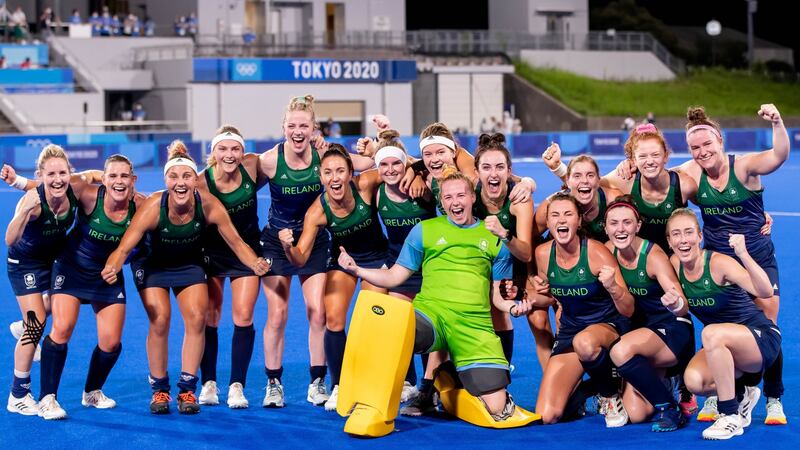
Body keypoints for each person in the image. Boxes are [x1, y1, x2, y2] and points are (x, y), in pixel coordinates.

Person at [337, 168, 534, 422]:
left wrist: (511, 308)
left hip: (474, 327)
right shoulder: (424, 230)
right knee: (394, 327)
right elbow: (395, 277)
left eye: (461, 195)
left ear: (472, 198)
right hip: (431, 317)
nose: (455, 202)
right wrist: (358, 270)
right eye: (449, 197)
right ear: (442, 202)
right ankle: (371, 408)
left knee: (498, 409)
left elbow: (497, 296)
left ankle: (448, 384)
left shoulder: (495, 237)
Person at [102, 140, 270, 415]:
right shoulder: (155, 205)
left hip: (188, 262)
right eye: (173, 177)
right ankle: (159, 389)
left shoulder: (210, 205)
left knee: (196, 317)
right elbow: (124, 246)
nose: (180, 183)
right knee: (160, 319)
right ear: (165, 179)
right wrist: (112, 266)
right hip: (153, 264)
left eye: (186, 177)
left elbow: (237, 242)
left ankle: (188, 389)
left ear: (196, 180)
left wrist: (255, 262)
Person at [256, 95, 376, 409]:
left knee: (318, 313)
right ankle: (273, 383)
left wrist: (374, 147)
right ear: (283, 128)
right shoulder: (269, 161)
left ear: (313, 129)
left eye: (304, 126)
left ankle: (318, 382)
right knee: (278, 315)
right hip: (276, 241)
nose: (298, 131)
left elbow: (365, 164)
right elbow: (234, 184)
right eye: (292, 125)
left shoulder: (324, 155)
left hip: (316, 239)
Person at [280, 144, 389, 412]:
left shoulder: (366, 184)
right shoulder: (317, 211)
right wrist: (287, 247)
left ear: (351, 173)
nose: (335, 178)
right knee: (333, 318)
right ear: (321, 177)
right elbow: (301, 258)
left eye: (340, 171)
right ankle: (340, 385)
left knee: (374, 320)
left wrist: (407, 165)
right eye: (328, 172)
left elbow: (396, 165)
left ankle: (377, 382)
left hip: (376, 259)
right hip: (342, 261)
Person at [35, 155, 143, 420]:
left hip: (108, 274)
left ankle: (92, 392)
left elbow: (140, 244)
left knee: (111, 342)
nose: (119, 182)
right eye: (113, 176)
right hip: (72, 267)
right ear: (103, 179)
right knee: (62, 329)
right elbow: (50, 186)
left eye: (124, 176)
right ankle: (47, 398)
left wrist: (120, 263)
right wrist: (16, 181)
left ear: (133, 180)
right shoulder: (88, 194)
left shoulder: (142, 206)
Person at [664, 208, 779, 439]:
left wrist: (744, 254)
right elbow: (683, 306)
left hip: (759, 339)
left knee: (711, 333)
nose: (683, 240)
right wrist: (674, 306)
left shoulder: (718, 263)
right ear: (669, 241)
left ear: (700, 236)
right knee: (694, 381)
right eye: (676, 234)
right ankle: (743, 394)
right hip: (722, 346)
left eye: (689, 232)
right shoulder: (675, 264)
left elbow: (765, 291)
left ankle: (730, 415)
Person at [532, 192, 633, 427]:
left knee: (586, 343)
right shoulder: (542, 254)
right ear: (548, 223)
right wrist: (541, 298)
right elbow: (554, 295)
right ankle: (593, 386)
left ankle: (609, 395)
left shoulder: (597, 252)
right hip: (571, 330)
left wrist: (613, 288)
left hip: (609, 327)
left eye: (568, 214)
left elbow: (628, 308)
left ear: (579, 220)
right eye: (555, 215)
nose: (561, 220)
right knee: (548, 415)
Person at [604, 196, 694, 432]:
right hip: (641, 335)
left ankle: (670, 408)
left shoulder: (653, 256)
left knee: (620, 350)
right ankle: (664, 382)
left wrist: (674, 302)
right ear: (605, 228)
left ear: (638, 226)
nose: (620, 229)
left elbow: (682, 305)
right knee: (637, 414)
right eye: (614, 223)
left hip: (671, 329)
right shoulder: (605, 252)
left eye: (627, 222)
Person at [3, 145, 82, 416]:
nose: (57, 179)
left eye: (63, 172)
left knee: (63, 302)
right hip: (24, 263)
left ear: (70, 173)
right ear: (41, 175)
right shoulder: (32, 202)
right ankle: (18, 395)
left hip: (52, 260)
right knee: (36, 326)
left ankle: (22, 325)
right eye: (51, 174)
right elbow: (9, 239)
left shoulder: (73, 189)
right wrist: (24, 211)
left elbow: (97, 175)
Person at [196, 126, 263, 409]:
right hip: (211, 253)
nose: (229, 154)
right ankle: (209, 382)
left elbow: (294, 158)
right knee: (210, 317)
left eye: (235, 148)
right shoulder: (200, 182)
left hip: (246, 253)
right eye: (223, 149)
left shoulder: (253, 166)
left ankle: (237, 385)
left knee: (244, 315)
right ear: (213, 153)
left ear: (243, 151)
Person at [372, 128, 436, 405]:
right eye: (383, 164)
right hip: (400, 269)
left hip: (431, 269)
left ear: (406, 163)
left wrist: (416, 170)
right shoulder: (376, 195)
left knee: (427, 325)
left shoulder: (423, 188)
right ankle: (408, 381)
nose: (390, 169)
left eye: (396, 163)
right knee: (399, 326)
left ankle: (429, 385)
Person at [472, 133, 534, 368]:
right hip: (478, 258)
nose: (493, 173)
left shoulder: (519, 200)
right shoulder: (469, 189)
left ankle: (502, 369)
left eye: (500, 167)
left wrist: (505, 234)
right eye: (486, 167)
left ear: (509, 171)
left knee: (499, 312)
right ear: (477, 172)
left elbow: (526, 253)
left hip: (511, 261)